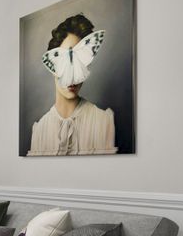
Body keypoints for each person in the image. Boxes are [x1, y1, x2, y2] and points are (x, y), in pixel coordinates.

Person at [27, 14, 117, 156]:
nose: (72, 77)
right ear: (53, 68)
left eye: (78, 63)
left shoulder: (103, 122)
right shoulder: (39, 130)